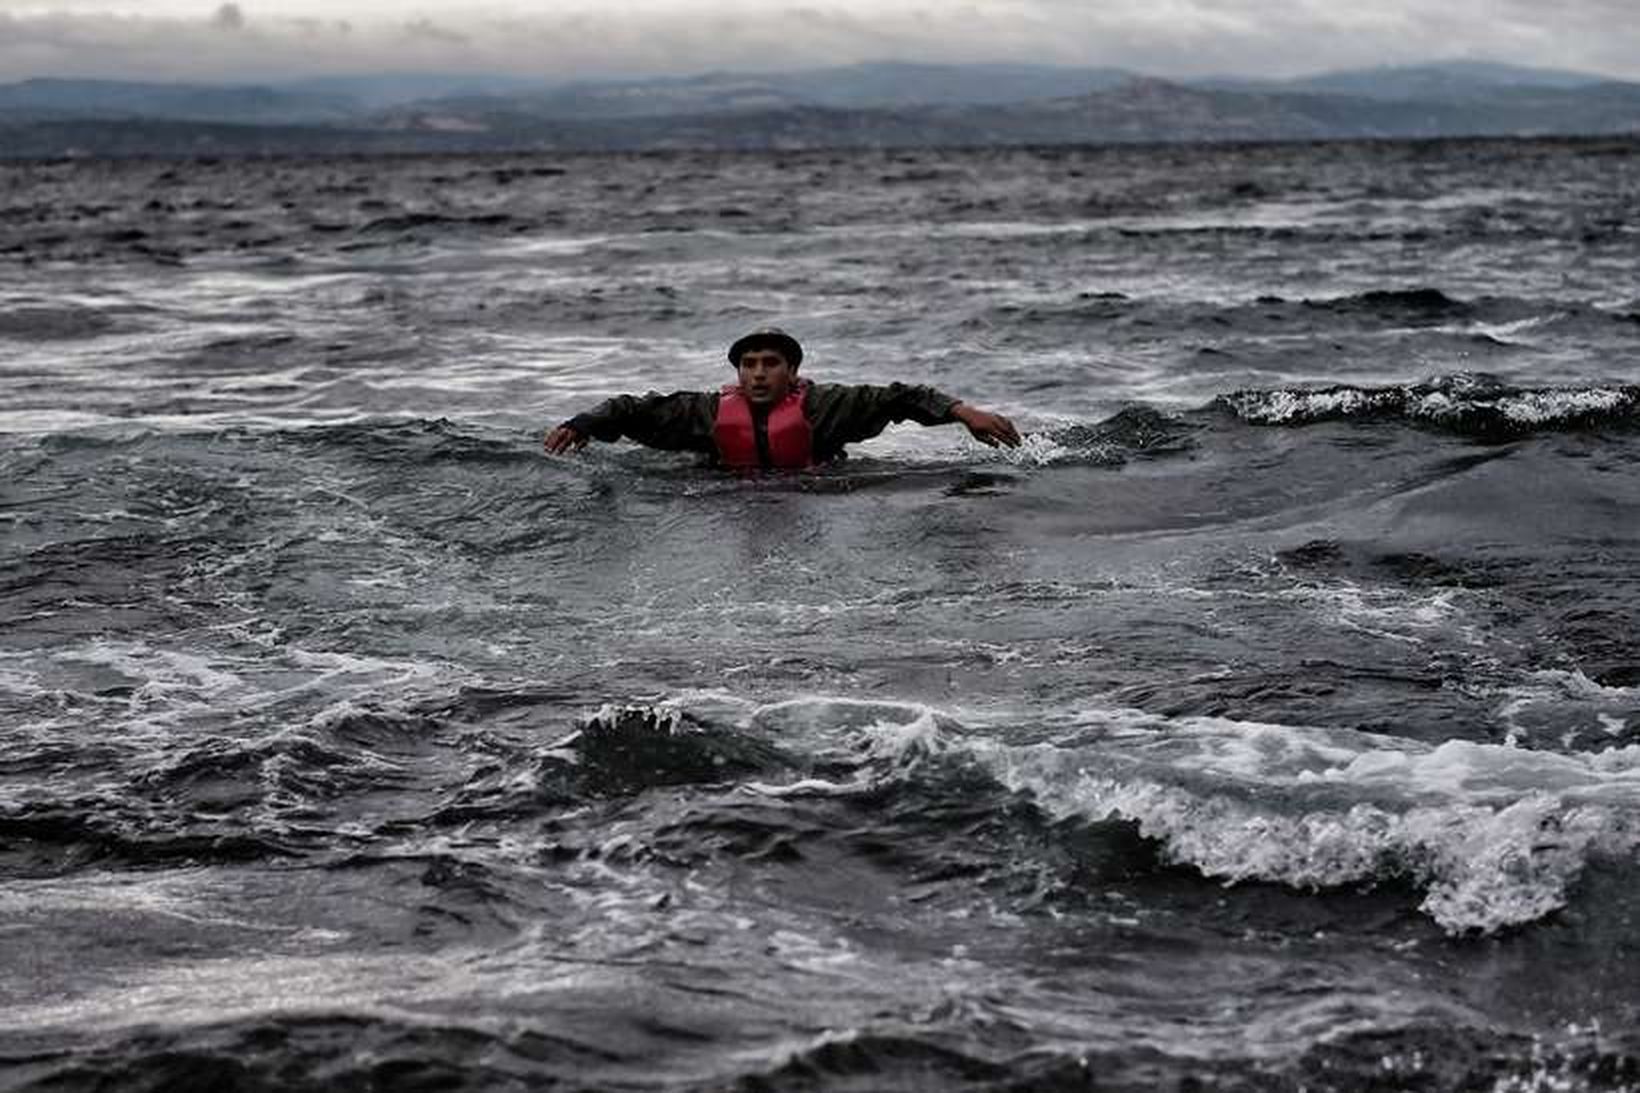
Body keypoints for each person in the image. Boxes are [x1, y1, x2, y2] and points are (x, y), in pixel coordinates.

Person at [542, 328, 1021, 469]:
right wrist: (581, 423)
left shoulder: (826, 405)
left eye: (770, 363)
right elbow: (631, 408)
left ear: (792, 372)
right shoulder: (706, 413)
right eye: (748, 365)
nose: (758, 373)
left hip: (815, 488)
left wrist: (963, 413)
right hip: (725, 495)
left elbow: (901, 397)